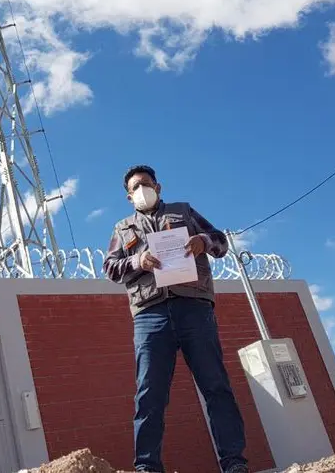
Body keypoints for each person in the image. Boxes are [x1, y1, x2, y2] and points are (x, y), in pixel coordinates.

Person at [103, 165, 249, 473]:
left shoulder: (184, 212)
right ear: (129, 197)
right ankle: (147, 467)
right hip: (149, 315)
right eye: (135, 188)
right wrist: (137, 260)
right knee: (149, 393)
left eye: (146, 184)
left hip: (193, 307)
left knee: (215, 386)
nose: (141, 189)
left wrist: (203, 243)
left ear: (158, 187)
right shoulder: (122, 228)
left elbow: (219, 241)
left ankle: (234, 463)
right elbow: (111, 268)